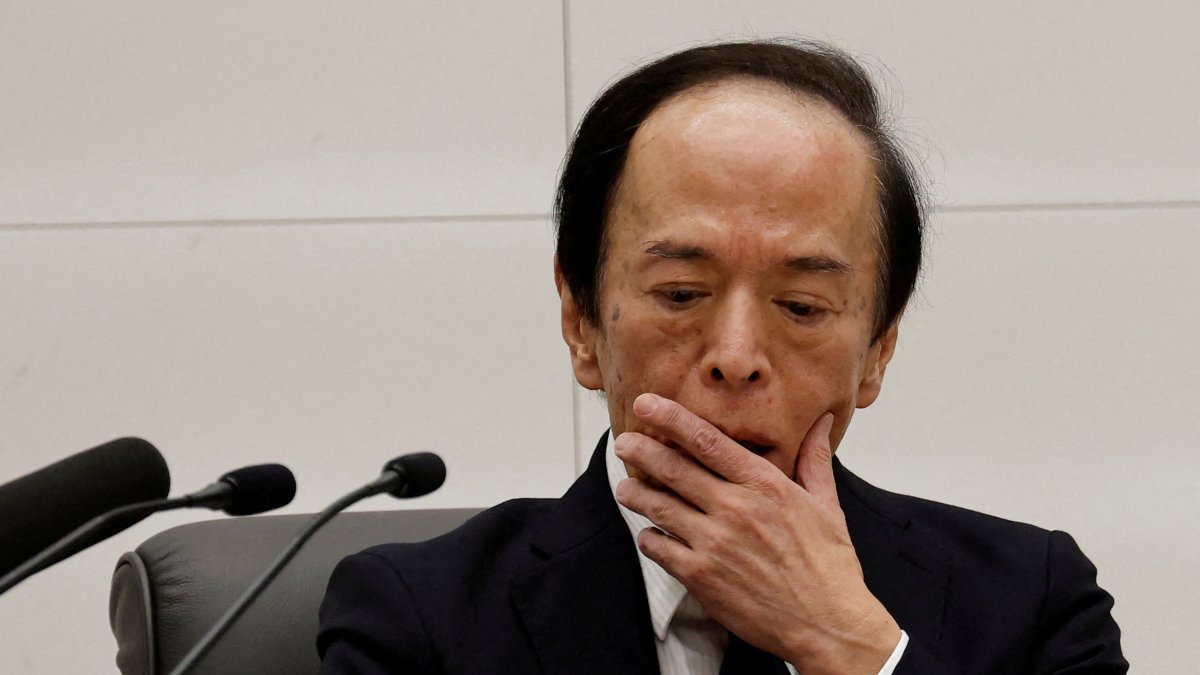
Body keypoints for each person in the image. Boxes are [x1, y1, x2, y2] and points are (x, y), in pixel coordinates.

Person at [317, 40, 1127, 674]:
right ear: (580, 320)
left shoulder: (1031, 600)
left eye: (801, 306)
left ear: (878, 349)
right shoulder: (418, 617)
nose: (736, 358)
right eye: (680, 293)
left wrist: (854, 650)